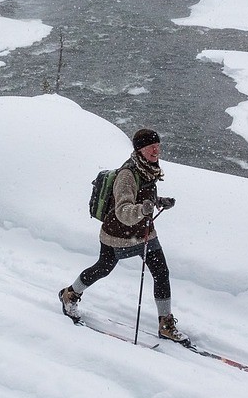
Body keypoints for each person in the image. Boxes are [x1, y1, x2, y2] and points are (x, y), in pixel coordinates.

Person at [60, 127, 186, 342]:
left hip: (144, 231)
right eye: (151, 147)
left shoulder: (149, 168)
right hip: (118, 233)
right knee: (103, 269)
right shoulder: (127, 175)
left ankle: (165, 322)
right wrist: (143, 209)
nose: (157, 151)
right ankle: (70, 294)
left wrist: (158, 202)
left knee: (161, 272)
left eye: (158, 146)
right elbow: (123, 211)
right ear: (139, 150)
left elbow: (143, 197)